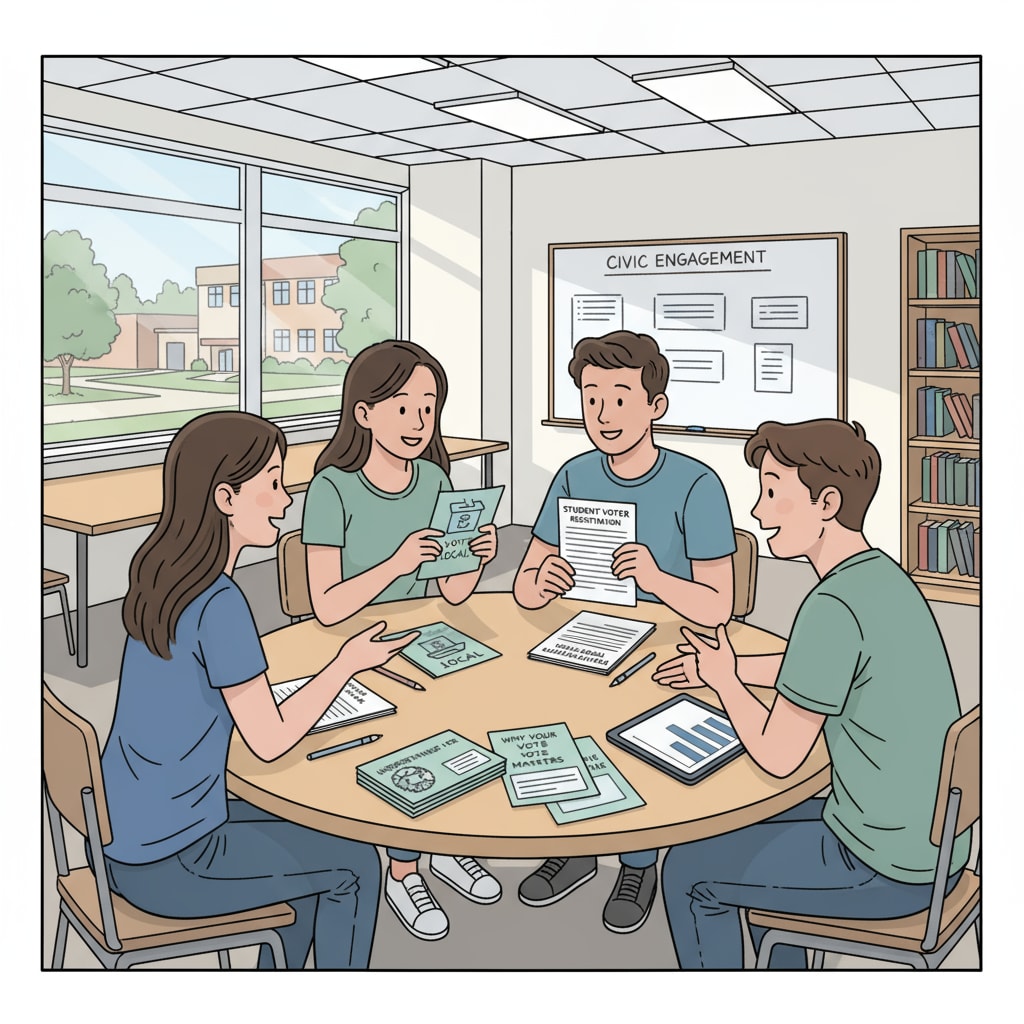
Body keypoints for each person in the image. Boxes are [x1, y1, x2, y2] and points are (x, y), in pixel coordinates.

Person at [101, 411, 416, 970]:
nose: (286, 498)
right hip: (174, 859)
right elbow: (269, 740)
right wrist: (346, 664)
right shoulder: (220, 604)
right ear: (225, 497)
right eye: (272, 482)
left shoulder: (160, 571)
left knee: (311, 834)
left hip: (131, 832)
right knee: (356, 865)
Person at [654, 418, 970, 969]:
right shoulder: (879, 578)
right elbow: (819, 667)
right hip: (936, 849)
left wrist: (727, 681)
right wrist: (725, 667)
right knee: (740, 823)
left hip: (885, 868)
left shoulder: (831, 608)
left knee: (688, 871)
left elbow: (778, 758)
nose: (757, 511)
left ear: (826, 502)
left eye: (773, 492)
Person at [512, 329, 736, 934]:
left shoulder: (696, 485)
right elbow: (524, 585)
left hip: (666, 640)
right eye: (590, 398)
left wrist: (657, 579)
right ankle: (577, 845)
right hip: (583, 631)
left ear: (655, 407)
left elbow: (720, 604)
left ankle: (637, 861)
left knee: (633, 717)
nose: (603, 413)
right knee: (544, 707)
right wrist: (539, 582)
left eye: (618, 396)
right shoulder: (573, 473)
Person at [302, 339, 501, 941]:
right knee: (404, 736)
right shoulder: (331, 489)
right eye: (403, 406)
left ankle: (440, 844)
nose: (419, 421)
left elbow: (454, 593)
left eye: (429, 407)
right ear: (363, 413)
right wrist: (393, 564)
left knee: (476, 711)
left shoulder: (435, 479)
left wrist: (476, 558)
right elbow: (327, 606)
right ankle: (403, 866)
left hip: (428, 638)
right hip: (355, 645)